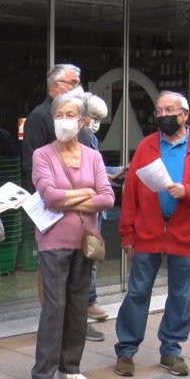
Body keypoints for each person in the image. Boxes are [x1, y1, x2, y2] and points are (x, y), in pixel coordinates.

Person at [114, 90, 190, 378]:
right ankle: (126, 350)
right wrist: (127, 234)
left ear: (184, 115)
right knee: (137, 292)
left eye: (169, 111)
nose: (163, 116)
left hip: (185, 234)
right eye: (159, 111)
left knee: (180, 294)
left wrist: (188, 192)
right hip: (148, 232)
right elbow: (131, 195)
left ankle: (171, 350)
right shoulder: (147, 147)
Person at [29, 93, 114, 379]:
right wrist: (85, 192)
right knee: (55, 305)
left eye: (70, 114)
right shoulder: (42, 155)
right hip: (53, 240)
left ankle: (70, 367)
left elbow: (107, 196)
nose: (63, 120)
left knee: (79, 304)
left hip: (86, 240)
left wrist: (72, 196)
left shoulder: (93, 156)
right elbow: (48, 196)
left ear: (82, 122)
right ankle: (42, 375)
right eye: (59, 114)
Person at [20, 64, 104, 339]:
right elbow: (34, 169)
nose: (80, 87)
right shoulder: (39, 117)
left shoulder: (82, 119)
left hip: (79, 216)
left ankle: (79, 319)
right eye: (74, 82)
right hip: (50, 213)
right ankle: (53, 323)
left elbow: (104, 192)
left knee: (81, 271)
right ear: (56, 86)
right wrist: (72, 196)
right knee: (52, 276)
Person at [76, 93, 128, 341]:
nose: (96, 123)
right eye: (94, 118)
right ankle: (86, 307)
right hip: (85, 213)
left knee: (92, 258)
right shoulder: (82, 136)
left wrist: (112, 172)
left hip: (95, 209)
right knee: (88, 260)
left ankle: (90, 302)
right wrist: (105, 177)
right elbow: (89, 173)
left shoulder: (90, 137)